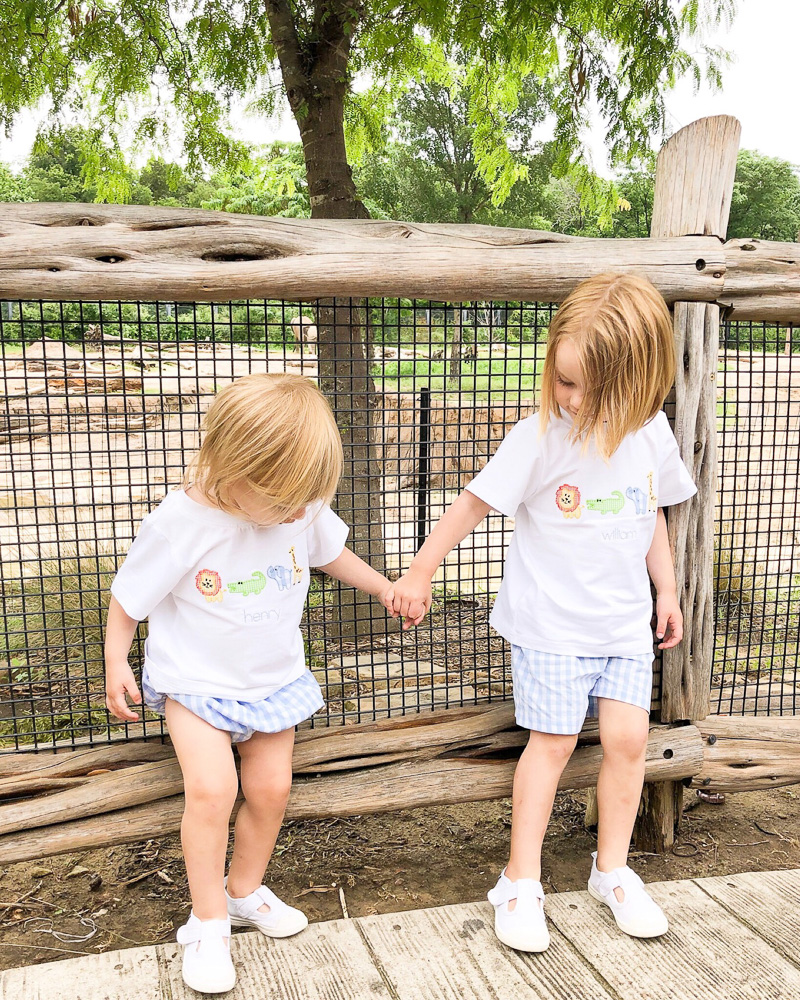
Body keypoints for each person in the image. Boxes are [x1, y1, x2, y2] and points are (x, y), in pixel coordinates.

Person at [392, 273, 697, 951]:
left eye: (592, 388)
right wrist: (420, 569)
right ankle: (519, 881)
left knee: (627, 743)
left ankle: (612, 871)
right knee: (553, 744)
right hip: (552, 627)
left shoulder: (650, 434)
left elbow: (651, 513)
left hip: (623, 626)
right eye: (563, 381)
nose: (573, 399)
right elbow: (472, 502)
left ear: (642, 381)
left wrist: (667, 592)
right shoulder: (540, 436)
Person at [105, 373, 396, 994]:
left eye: (305, 501)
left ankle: (244, 891)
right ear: (231, 468)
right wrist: (115, 663)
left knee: (270, 789)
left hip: (272, 680)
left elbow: (329, 552)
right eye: (285, 501)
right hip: (199, 685)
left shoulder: (300, 505)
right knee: (212, 791)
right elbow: (129, 598)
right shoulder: (183, 522)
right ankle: (208, 921)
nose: (297, 513)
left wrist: (381, 586)